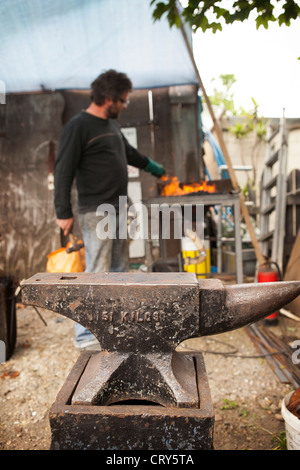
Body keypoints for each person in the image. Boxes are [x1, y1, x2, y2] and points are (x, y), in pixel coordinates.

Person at [54, 69, 165, 349]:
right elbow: (63, 170)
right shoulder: (78, 126)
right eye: (123, 100)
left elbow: (130, 154)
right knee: (97, 272)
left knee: (119, 269)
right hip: (95, 210)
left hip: (119, 208)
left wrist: (154, 168)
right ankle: (86, 337)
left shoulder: (112, 126)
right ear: (108, 98)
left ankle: (115, 329)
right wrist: (63, 211)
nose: (125, 105)